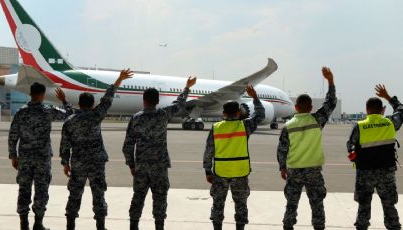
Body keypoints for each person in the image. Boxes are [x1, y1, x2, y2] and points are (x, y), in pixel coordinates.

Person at [60, 69, 134, 230]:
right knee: (98, 194)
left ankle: (70, 226)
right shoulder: (96, 116)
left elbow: (65, 145)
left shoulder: (70, 122)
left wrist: (65, 163)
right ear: (93, 105)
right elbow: (108, 99)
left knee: (74, 195)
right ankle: (100, 226)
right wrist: (119, 80)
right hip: (96, 162)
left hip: (78, 163)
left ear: (79, 104)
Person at [123, 76, 197, 230]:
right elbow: (180, 104)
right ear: (157, 101)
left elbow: (128, 145)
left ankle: (133, 226)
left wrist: (131, 165)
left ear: (144, 100)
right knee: (160, 198)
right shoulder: (163, 114)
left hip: (141, 167)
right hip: (159, 166)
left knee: (138, 198)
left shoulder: (135, 118)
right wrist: (187, 87)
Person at [277, 67, 337, 230]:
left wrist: (282, 167)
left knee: (291, 205)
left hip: (294, 171)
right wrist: (330, 81)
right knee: (317, 205)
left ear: (296, 108)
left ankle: (288, 226)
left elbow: (282, 149)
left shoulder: (287, 126)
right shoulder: (317, 120)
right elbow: (330, 103)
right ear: (311, 108)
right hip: (313, 171)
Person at [9, 83, 73, 230]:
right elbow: (69, 115)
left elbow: (13, 135)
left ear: (31, 94)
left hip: (25, 157)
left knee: (24, 190)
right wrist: (64, 100)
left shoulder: (21, 112)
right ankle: (38, 223)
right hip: (42, 158)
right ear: (43, 95)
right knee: (41, 190)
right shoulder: (47, 110)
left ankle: (23, 224)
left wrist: (13, 155)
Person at [203, 85, 265, 230]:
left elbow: (208, 151)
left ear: (223, 113)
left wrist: (207, 171)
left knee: (218, 204)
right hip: (240, 172)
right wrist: (255, 97)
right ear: (238, 112)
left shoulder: (216, 127)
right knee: (241, 205)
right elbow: (260, 115)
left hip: (220, 172)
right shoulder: (245, 126)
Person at [347, 85, 403, 230]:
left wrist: (355, 156)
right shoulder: (390, 123)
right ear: (382, 110)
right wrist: (388, 97)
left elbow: (350, 147)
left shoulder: (359, 126)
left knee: (364, 207)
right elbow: (401, 110)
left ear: (367, 110)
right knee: (389, 205)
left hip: (365, 172)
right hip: (386, 172)